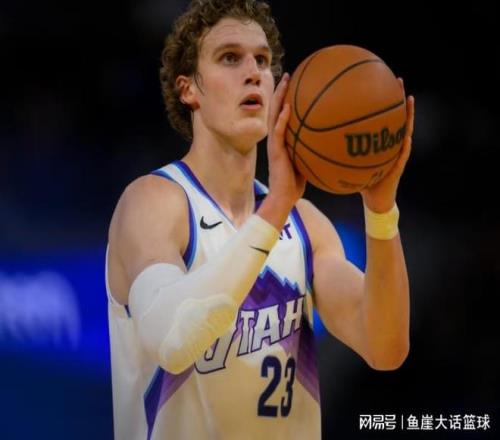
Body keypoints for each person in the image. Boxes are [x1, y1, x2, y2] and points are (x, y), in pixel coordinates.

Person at [105, 0, 414, 438]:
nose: (253, 72)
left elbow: (386, 348)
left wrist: (381, 211)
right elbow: (171, 339)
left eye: (263, 61)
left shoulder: (305, 225)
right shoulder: (154, 203)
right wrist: (276, 208)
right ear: (188, 89)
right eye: (230, 58)